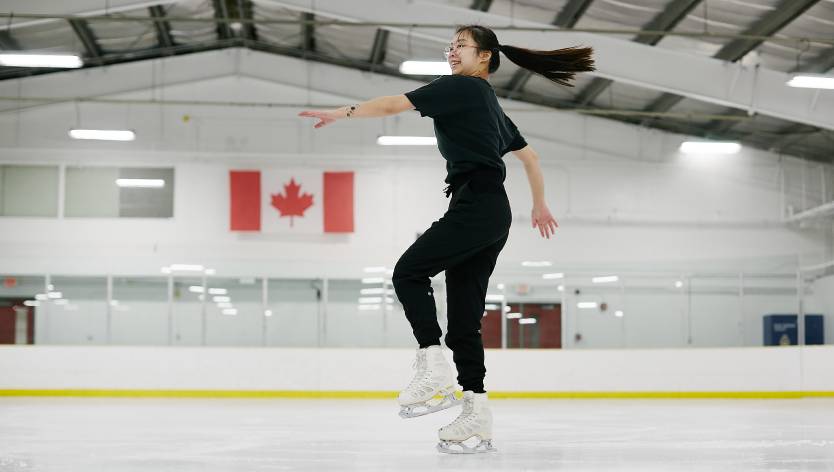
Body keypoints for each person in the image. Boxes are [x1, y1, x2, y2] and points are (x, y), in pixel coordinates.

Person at [299, 24, 594, 454]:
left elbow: (390, 105)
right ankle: (477, 411)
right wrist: (539, 205)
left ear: (485, 57)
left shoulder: (462, 89)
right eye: (450, 46)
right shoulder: (488, 101)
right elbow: (529, 157)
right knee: (464, 323)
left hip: (476, 207)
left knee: (408, 273)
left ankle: (433, 366)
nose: (452, 52)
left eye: (461, 46)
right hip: (491, 212)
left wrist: (340, 112)